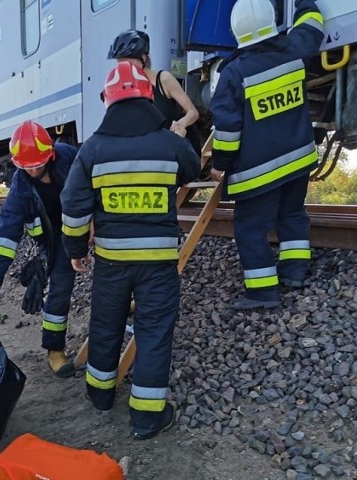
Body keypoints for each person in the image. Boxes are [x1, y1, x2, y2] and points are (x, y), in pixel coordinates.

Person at [61, 61, 200, 440]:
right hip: (157, 264)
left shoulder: (92, 149)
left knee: (105, 326)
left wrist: (76, 250)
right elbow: (191, 169)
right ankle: (146, 418)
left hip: (112, 263)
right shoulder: (170, 143)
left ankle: (100, 395)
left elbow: (73, 207)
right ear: (148, 98)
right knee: (154, 333)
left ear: (108, 101)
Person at [208, 0, 324, 309]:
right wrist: (304, 3)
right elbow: (312, 25)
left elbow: (228, 132)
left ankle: (263, 291)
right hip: (298, 161)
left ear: (237, 33)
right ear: (272, 21)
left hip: (258, 172)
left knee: (249, 228)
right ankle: (295, 271)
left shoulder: (234, 74)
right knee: (292, 215)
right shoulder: (294, 49)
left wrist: (220, 165)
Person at [0, 120, 79, 378]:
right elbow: (6, 232)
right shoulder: (20, 187)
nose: (32, 171)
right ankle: (55, 351)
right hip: (55, 240)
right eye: (26, 167)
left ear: (50, 154)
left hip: (85, 223)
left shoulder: (69, 157)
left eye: (37, 165)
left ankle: (124, 303)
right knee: (60, 288)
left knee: (115, 266)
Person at [107, 29, 200, 148]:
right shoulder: (125, 88)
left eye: (126, 62)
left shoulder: (163, 79)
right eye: (119, 63)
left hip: (173, 150)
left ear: (143, 58)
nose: (122, 68)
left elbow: (193, 112)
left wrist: (181, 123)